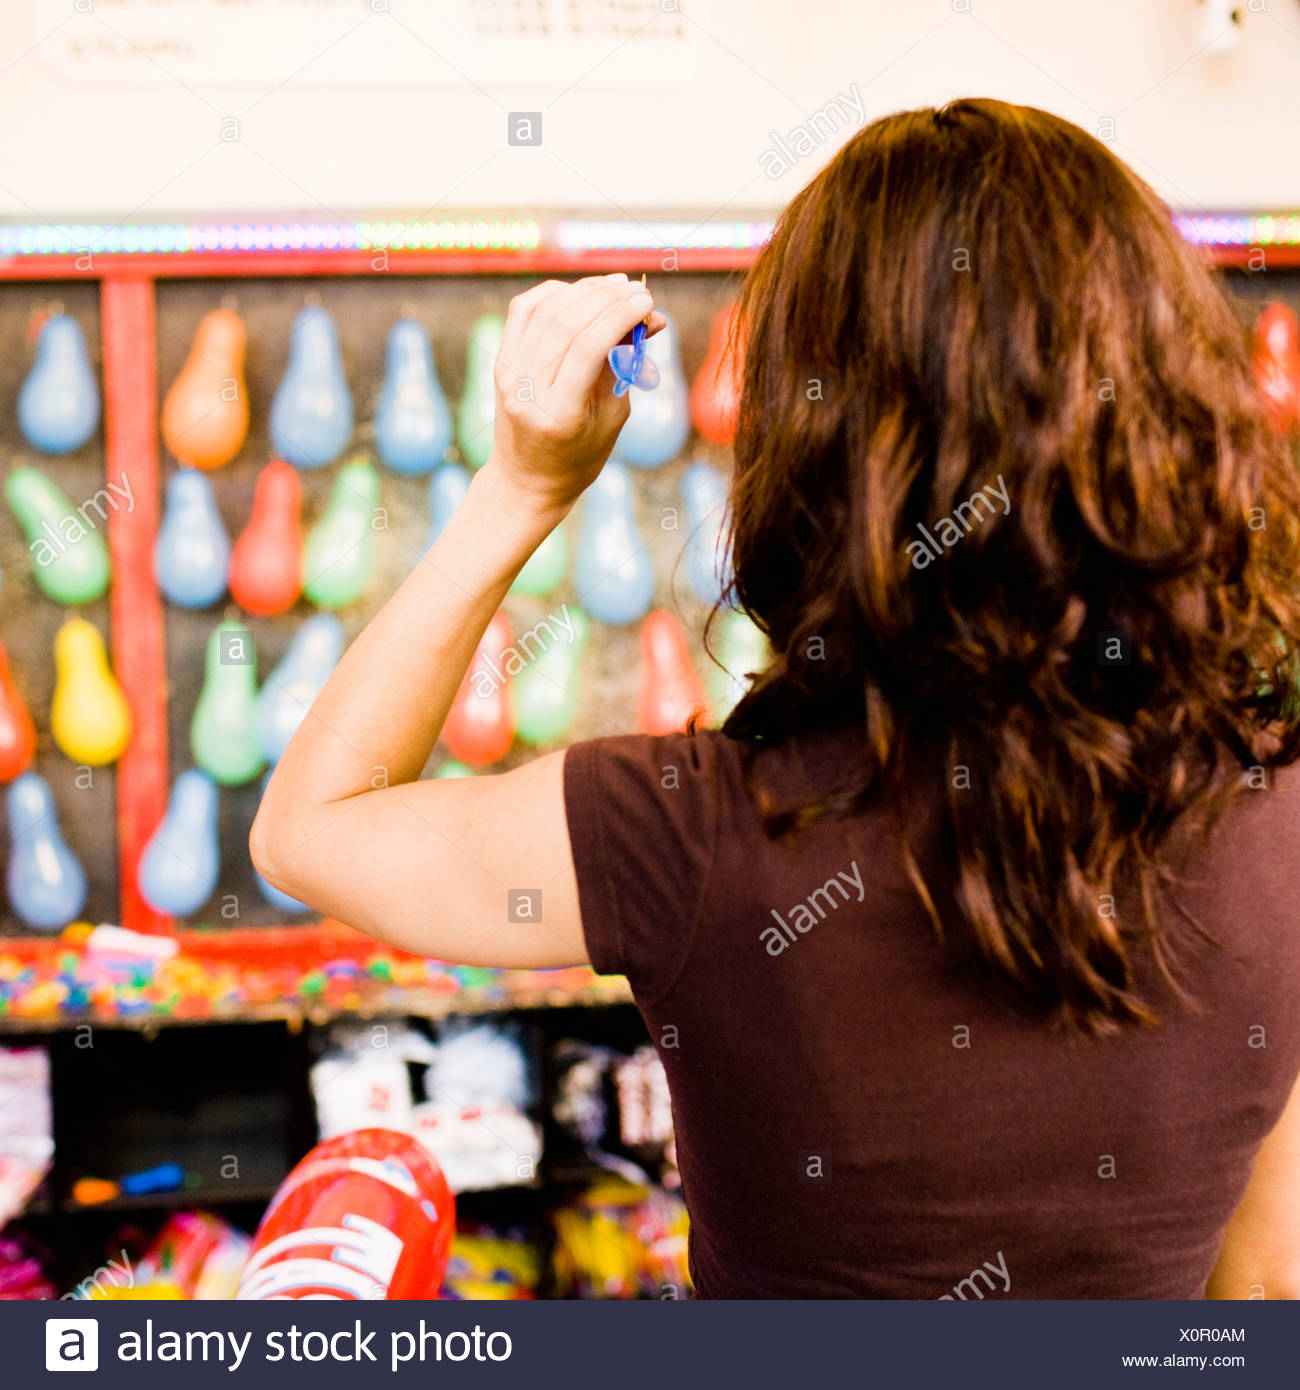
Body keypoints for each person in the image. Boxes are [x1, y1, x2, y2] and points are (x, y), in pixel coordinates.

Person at [253, 98, 1300, 1300]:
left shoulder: (688, 831)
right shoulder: (1272, 803)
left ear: (814, 437)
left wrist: (520, 489)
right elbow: (1263, 1288)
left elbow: (309, 829)